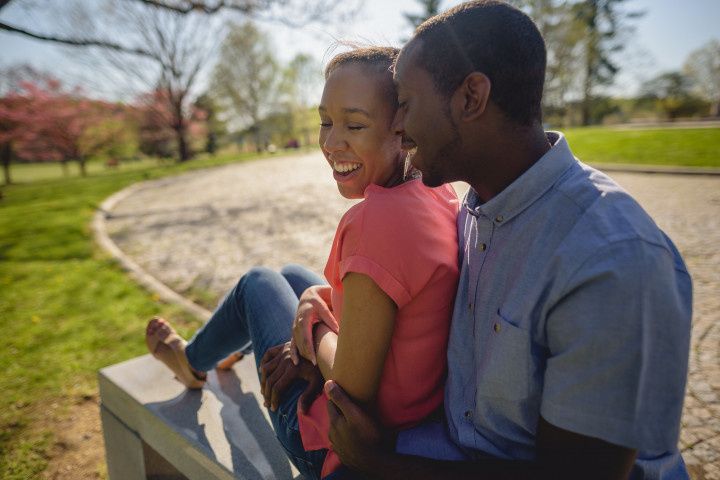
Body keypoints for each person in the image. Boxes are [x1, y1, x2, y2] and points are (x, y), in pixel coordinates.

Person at [295, 2, 692, 479]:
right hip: (438, 440)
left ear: (471, 97)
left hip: (417, 456)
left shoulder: (613, 261)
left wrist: (381, 464)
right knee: (289, 282)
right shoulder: (475, 205)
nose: (396, 125)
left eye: (406, 102)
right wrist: (315, 306)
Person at [145, 46, 460, 480]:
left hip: (338, 443)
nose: (331, 143)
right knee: (296, 277)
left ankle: (192, 361)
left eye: (354, 124)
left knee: (258, 283)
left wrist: (310, 334)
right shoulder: (435, 190)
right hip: (412, 402)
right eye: (326, 121)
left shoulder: (377, 221)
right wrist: (316, 298)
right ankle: (231, 347)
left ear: (401, 128)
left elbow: (350, 388)